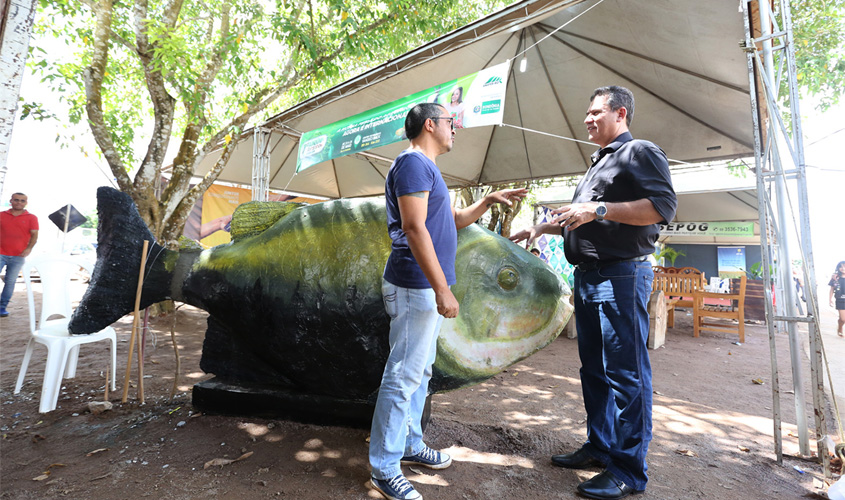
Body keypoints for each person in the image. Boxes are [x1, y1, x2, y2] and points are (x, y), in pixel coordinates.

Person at [510, 86, 676, 500]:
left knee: (626, 373)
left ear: (620, 113)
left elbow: (663, 206)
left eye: (595, 112)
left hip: (620, 276)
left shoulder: (639, 151)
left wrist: (600, 209)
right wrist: (541, 228)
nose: (587, 119)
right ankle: (601, 448)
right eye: (587, 112)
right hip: (588, 277)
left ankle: (628, 471)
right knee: (595, 370)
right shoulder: (598, 163)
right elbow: (581, 219)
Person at [369, 102, 526, 500]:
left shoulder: (425, 168)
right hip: (415, 285)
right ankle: (384, 468)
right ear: (430, 125)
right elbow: (414, 227)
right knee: (403, 375)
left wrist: (487, 202)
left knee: (418, 373)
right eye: (450, 123)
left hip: (422, 286)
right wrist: (441, 288)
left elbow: (449, 220)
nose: (454, 130)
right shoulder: (413, 164)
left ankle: (408, 443)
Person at [1, 193, 40, 317]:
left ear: (26, 203)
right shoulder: (1, 215)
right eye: (16, 200)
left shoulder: (32, 218)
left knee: (10, 281)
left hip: (19, 256)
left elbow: (34, 235)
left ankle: (2, 307)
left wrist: (29, 249)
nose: (19, 202)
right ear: (11, 201)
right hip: (0, 253)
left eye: (22, 201)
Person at [829, 261, 845, 337]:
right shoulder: (835, 278)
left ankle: (840, 326)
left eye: (844, 266)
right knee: (843, 319)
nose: (843, 268)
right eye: (841, 267)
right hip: (840, 300)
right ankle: (840, 326)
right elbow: (832, 289)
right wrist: (830, 299)